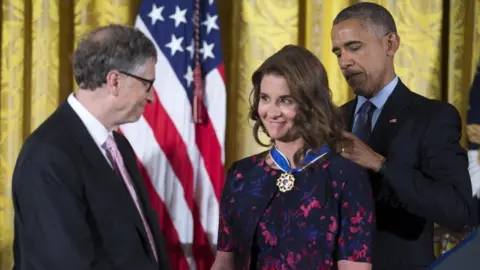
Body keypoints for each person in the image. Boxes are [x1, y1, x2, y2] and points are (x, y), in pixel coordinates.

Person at [12, 24, 170, 270]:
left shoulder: (118, 145)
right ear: (115, 81)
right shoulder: (48, 156)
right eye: (147, 84)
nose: (150, 97)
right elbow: (64, 263)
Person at [330, 2, 475, 269]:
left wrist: (379, 163)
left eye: (354, 47)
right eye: (338, 52)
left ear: (390, 44)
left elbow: (458, 211)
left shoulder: (432, 117)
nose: (344, 61)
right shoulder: (331, 121)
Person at [212, 45, 375, 270]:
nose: (272, 111)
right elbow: (224, 264)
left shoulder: (345, 176)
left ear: (311, 104)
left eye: (286, 100)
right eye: (265, 98)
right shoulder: (242, 174)